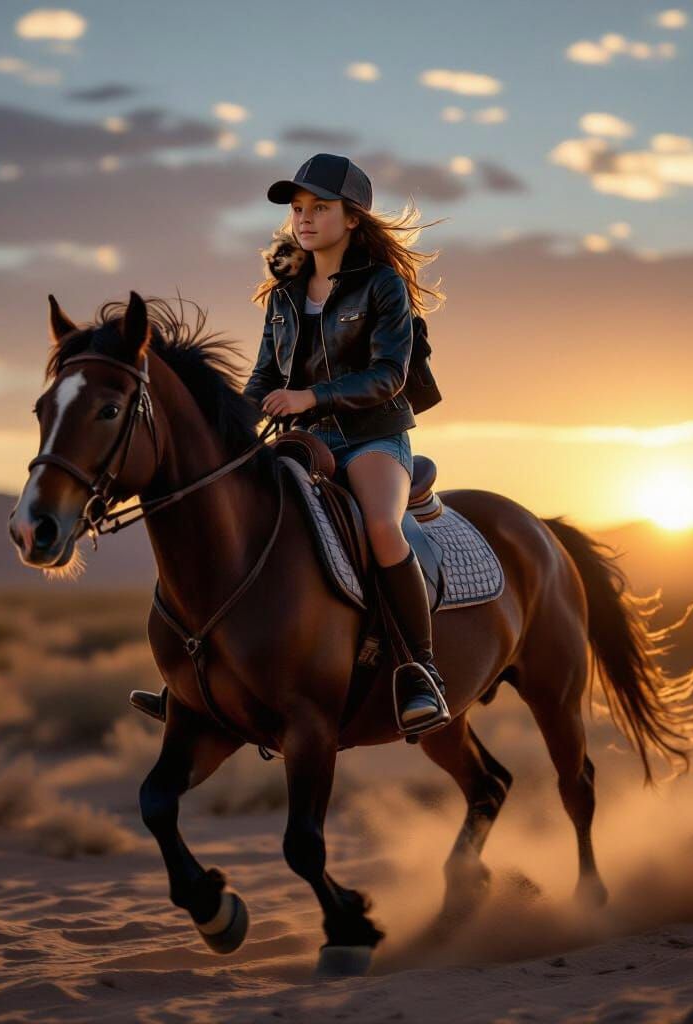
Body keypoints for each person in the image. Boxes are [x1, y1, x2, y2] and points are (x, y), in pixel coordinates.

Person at [243, 153, 450, 735]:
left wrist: (310, 396)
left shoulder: (382, 286)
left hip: (372, 438)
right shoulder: (283, 295)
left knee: (382, 527)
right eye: (298, 209)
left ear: (353, 218)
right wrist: (228, 423)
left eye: (320, 208)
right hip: (302, 442)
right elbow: (262, 378)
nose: (304, 219)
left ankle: (421, 670)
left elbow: (389, 375)